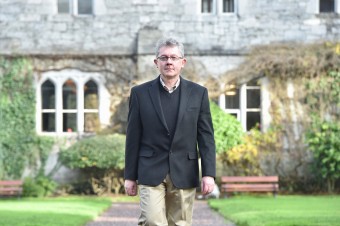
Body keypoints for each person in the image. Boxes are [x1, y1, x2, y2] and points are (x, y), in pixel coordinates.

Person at [124, 37, 216, 226]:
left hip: (184, 169)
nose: (169, 62)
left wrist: (209, 173)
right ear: (156, 62)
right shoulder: (140, 94)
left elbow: (206, 137)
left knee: (180, 223)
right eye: (164, 58)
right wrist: (129, 176)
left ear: (183, 62)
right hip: (150, 169)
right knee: (151, 220)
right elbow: (133, 137)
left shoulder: (198, 93)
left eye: (174, 57)